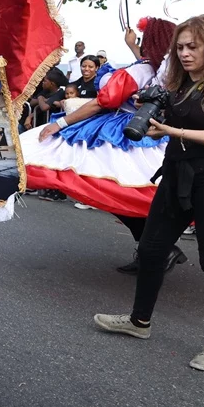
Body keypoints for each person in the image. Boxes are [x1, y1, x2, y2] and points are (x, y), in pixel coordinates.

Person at [94, 15, 204, 373]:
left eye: (193, 47)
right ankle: (139, 321)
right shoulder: (183, 85)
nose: (185, 54)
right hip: (176, 174)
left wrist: (174, 129)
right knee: (152, 249)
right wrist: (159, 128)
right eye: (180, 47)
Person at [22, 17, 181, 271]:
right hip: (154, 136)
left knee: (110, 191)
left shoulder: (140, 70)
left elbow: (100, 102)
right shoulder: (168, 71)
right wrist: (132, 47)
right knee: (135, 195)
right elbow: (150, 65)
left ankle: (158, 248)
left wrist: (60, 124)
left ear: (148, 41)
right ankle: (156, 248)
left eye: (142, 40)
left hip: (122, 134)